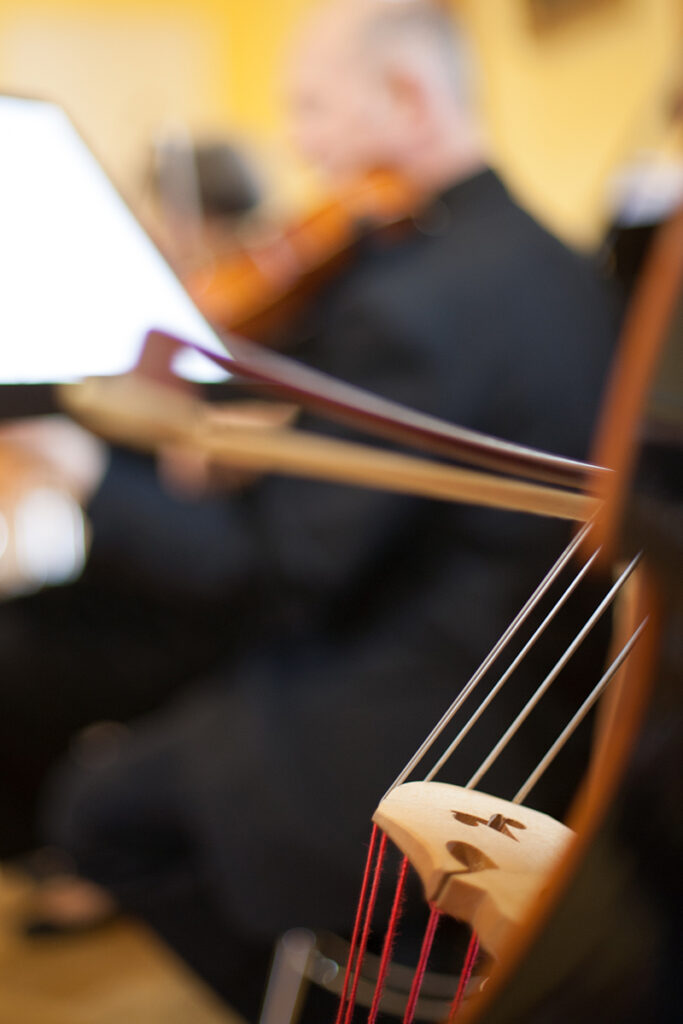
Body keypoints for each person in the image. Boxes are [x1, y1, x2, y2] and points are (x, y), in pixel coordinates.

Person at [29, 1, 623, 1017]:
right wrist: (268, 444)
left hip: (427, 716)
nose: (299, 143)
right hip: (548, 692)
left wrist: (81, 473)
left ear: (405, 94)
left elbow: (267, 574)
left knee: (94, 806)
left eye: (311, 107)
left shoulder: (412, 298)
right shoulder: (548, 259)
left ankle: (323, 988)